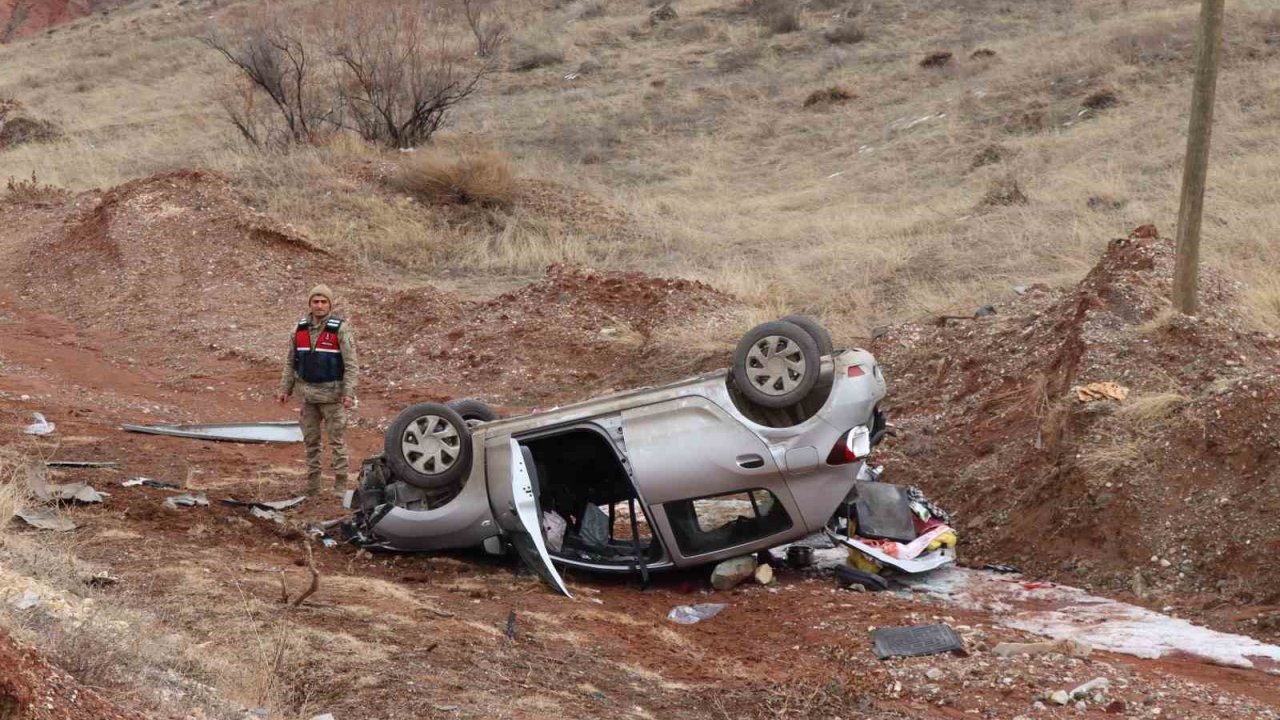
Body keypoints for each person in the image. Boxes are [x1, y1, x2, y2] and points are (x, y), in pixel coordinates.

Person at [278, 284, 358, 496]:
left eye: (324, 302)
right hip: (308, 398)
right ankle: (313, 487)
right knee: (311, 442)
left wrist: (348, 393)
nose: (319, 305)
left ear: (330, 305)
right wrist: (285, 388)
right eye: (316, 301)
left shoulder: (341, 329)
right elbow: (290, 362)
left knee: (337, 443)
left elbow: (351, 365)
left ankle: (340, 487)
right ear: (310, 304)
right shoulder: (299, 329)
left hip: (332, 397)